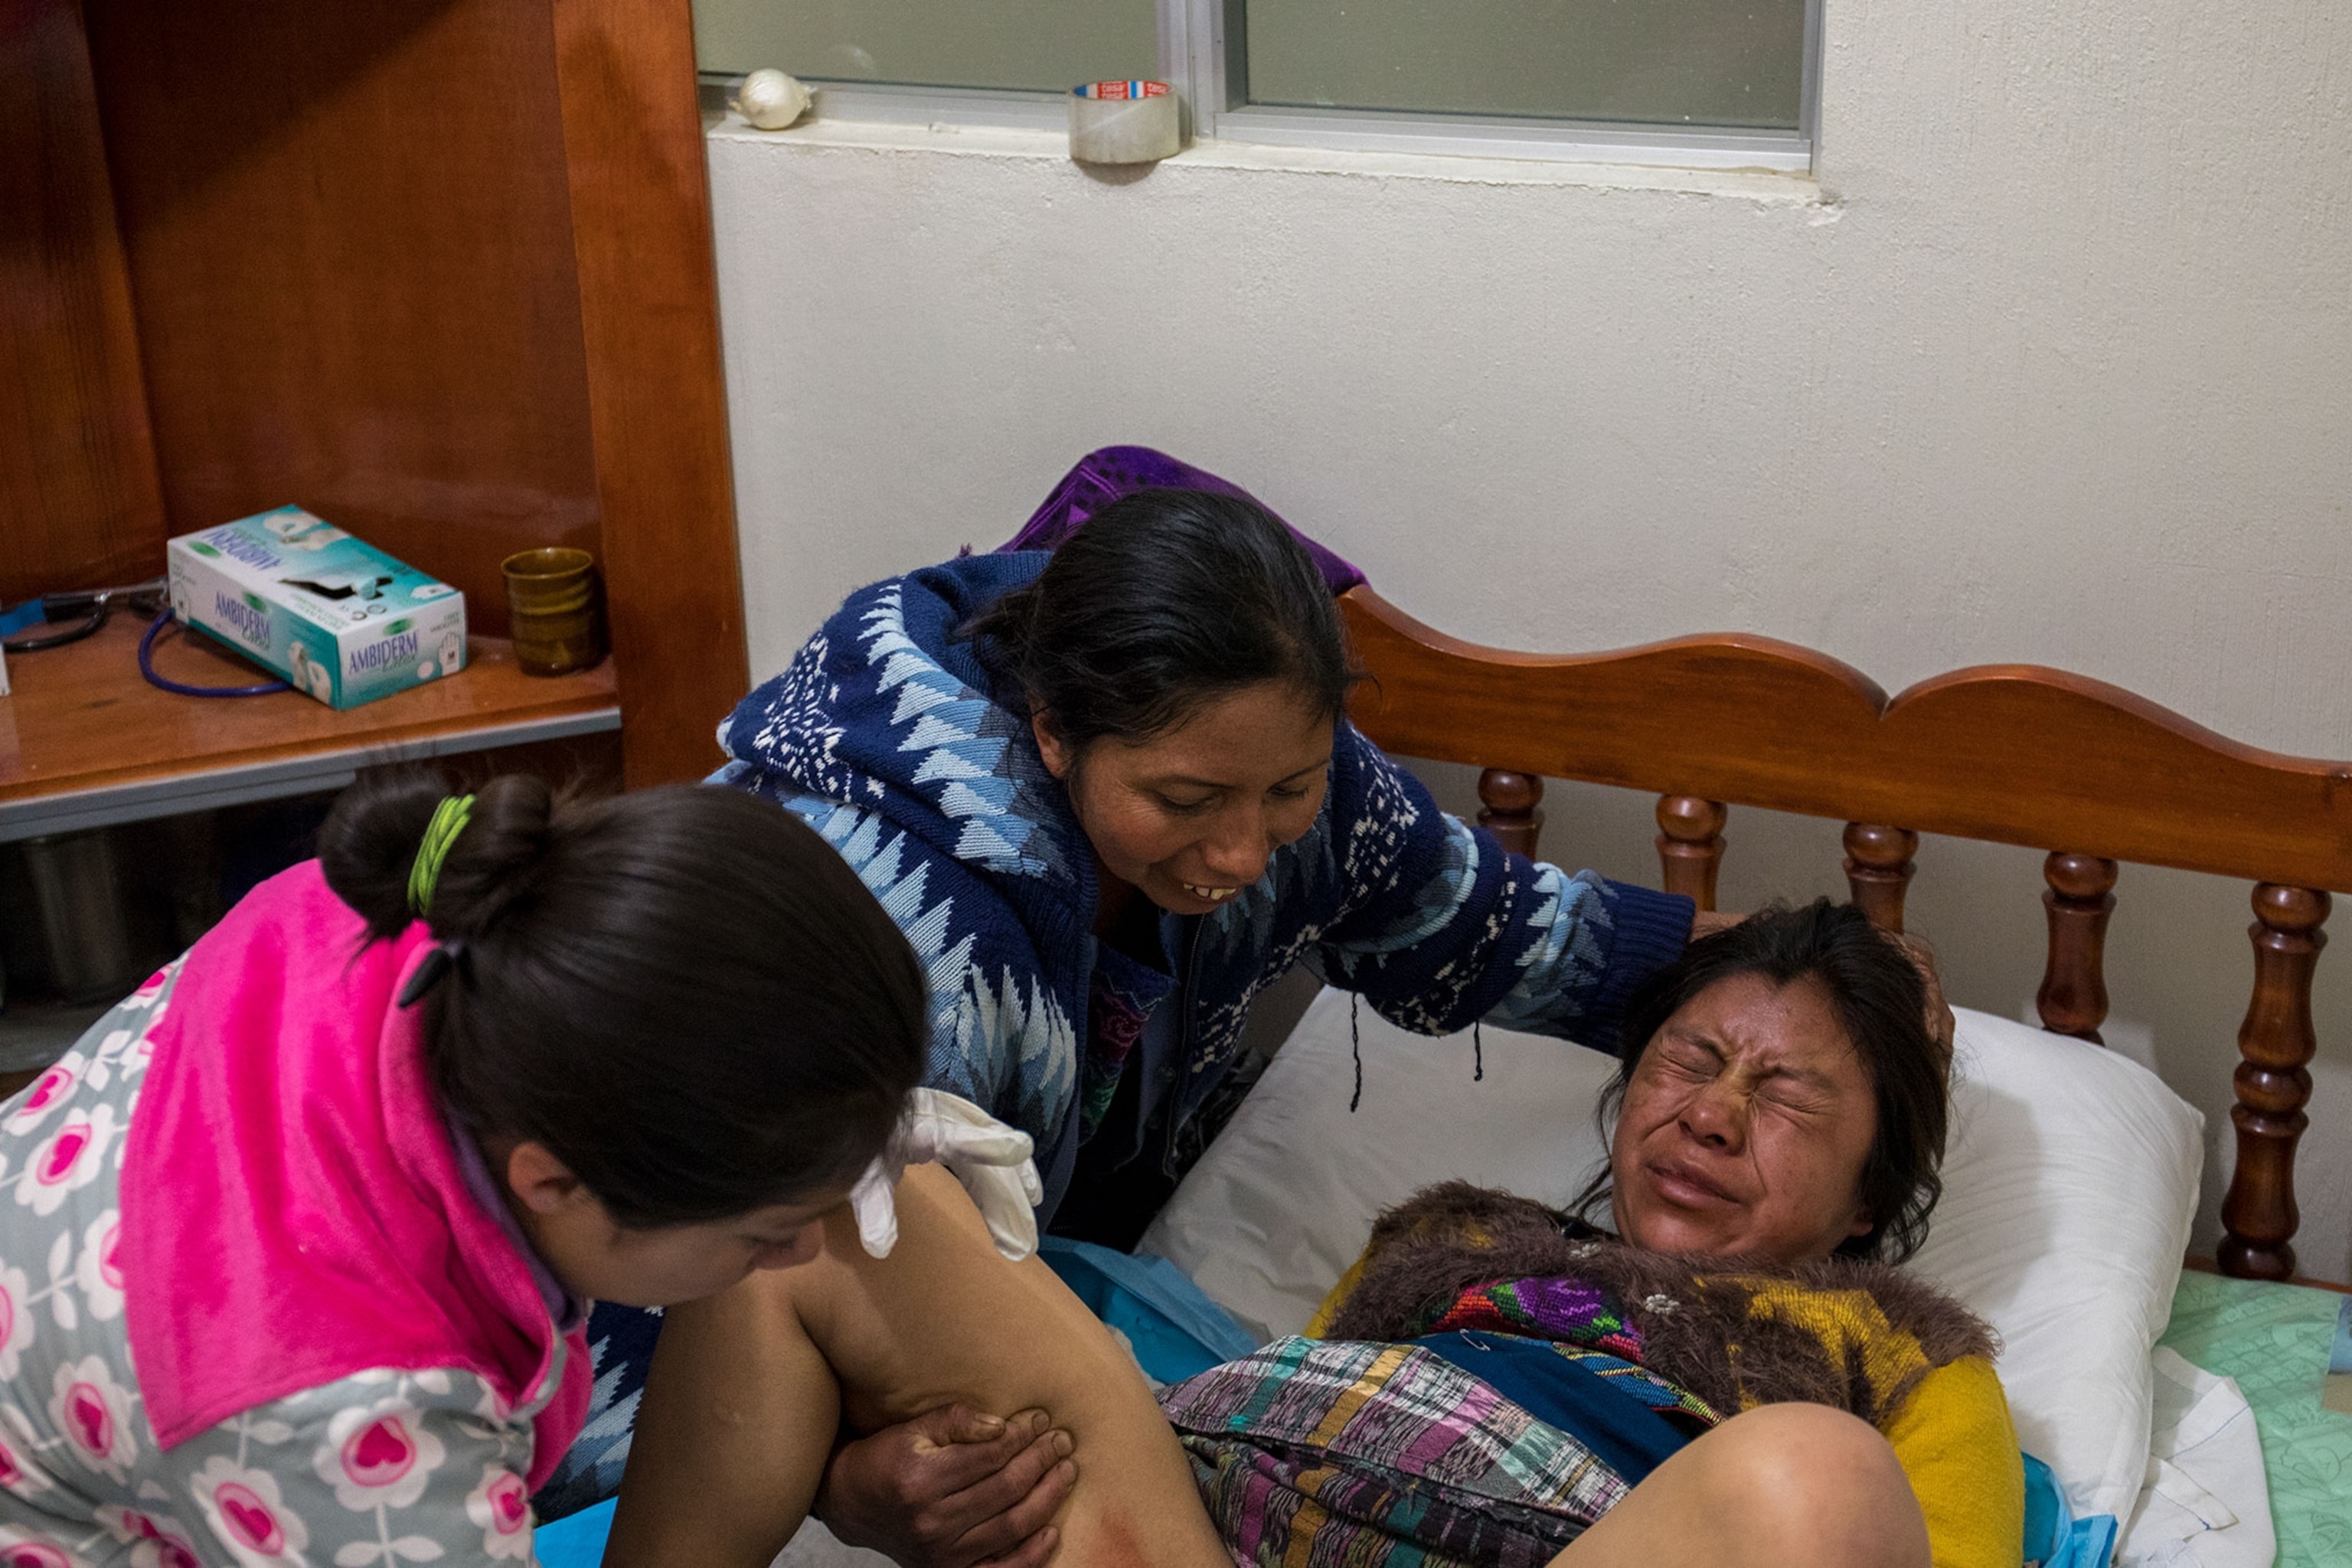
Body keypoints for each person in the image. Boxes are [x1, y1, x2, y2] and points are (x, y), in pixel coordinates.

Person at [681, 475, 1713, 1557]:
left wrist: (1784, 963)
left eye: (1291, 792)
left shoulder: (1263, 753)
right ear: (1051, 730)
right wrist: (840, 1484)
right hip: (677, 1326)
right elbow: (761, 1260)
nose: (1242, 852)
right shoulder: (910, 920)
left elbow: (1499, 927)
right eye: (1183, 804)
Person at [609, 900, 2009, 1568]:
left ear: (1868, 1199)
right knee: (847, 1187)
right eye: (1690, 1060)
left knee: (1815, 1475)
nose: (1711, 1114)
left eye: (1784, 1096)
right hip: (1210, 1529)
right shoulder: (1457, 1232)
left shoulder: (1902, 1349)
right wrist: (853, 1482)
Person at [0, 771, 952, 1566]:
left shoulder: (403, 914)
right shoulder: (350, 1412)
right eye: (760, 1232)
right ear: (552, 1181)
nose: (798, 1251)